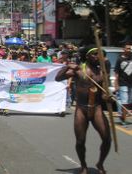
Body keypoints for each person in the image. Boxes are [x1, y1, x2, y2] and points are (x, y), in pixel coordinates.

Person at [55, 46, 111, 174]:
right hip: (81, 109)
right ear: (88, 56)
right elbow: (57, 78)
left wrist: (108, 97)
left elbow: (103, 93)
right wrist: (68, 66)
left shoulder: (103, 72)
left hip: (96, 108)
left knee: (107, 139)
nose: (98, 56)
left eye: (100, 54)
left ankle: (100, 163)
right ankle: (83, 166)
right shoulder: (79, 70)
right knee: (80, 141)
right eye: (95, 54)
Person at [114, 41, 132, 125]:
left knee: (128, 101)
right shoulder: (119, 59)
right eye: (128, 48)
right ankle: (123, 119)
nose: (129, 50)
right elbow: (116, 73)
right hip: (122, 83)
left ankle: (122, 115)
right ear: (124, 49)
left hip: (131, 84)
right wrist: (116, 83)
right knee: (124, 101)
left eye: (130, 48)